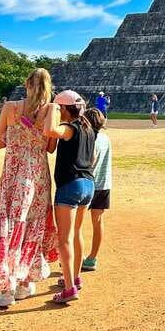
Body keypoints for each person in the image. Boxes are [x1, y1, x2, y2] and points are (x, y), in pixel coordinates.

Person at [0, 68, 60, 307]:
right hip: (38, 175)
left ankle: (6, 288)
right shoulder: (51, 110)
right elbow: (50, 147)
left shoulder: (10, 108)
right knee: (32, 226)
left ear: (26, 83)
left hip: (13, 174)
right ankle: (23, 282)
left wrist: (16, 138)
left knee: (10, 225)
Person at [44, 90, 96, 303]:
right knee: (76, 234)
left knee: (64, 238)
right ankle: (75, 276)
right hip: (88, 184)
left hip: (70, 185)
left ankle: (69, 288)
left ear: (64, 109)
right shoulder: (88, 128)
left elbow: (50, 131)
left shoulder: (70, 128)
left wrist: (51, 110)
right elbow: (92, 158)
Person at [81, 108, 112, 273]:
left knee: (76, 224)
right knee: (98, 222)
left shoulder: (88, 138)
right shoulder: (105, 138)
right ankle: (92, 258)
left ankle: (76, 257)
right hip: (104, 184)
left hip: (88, 183)